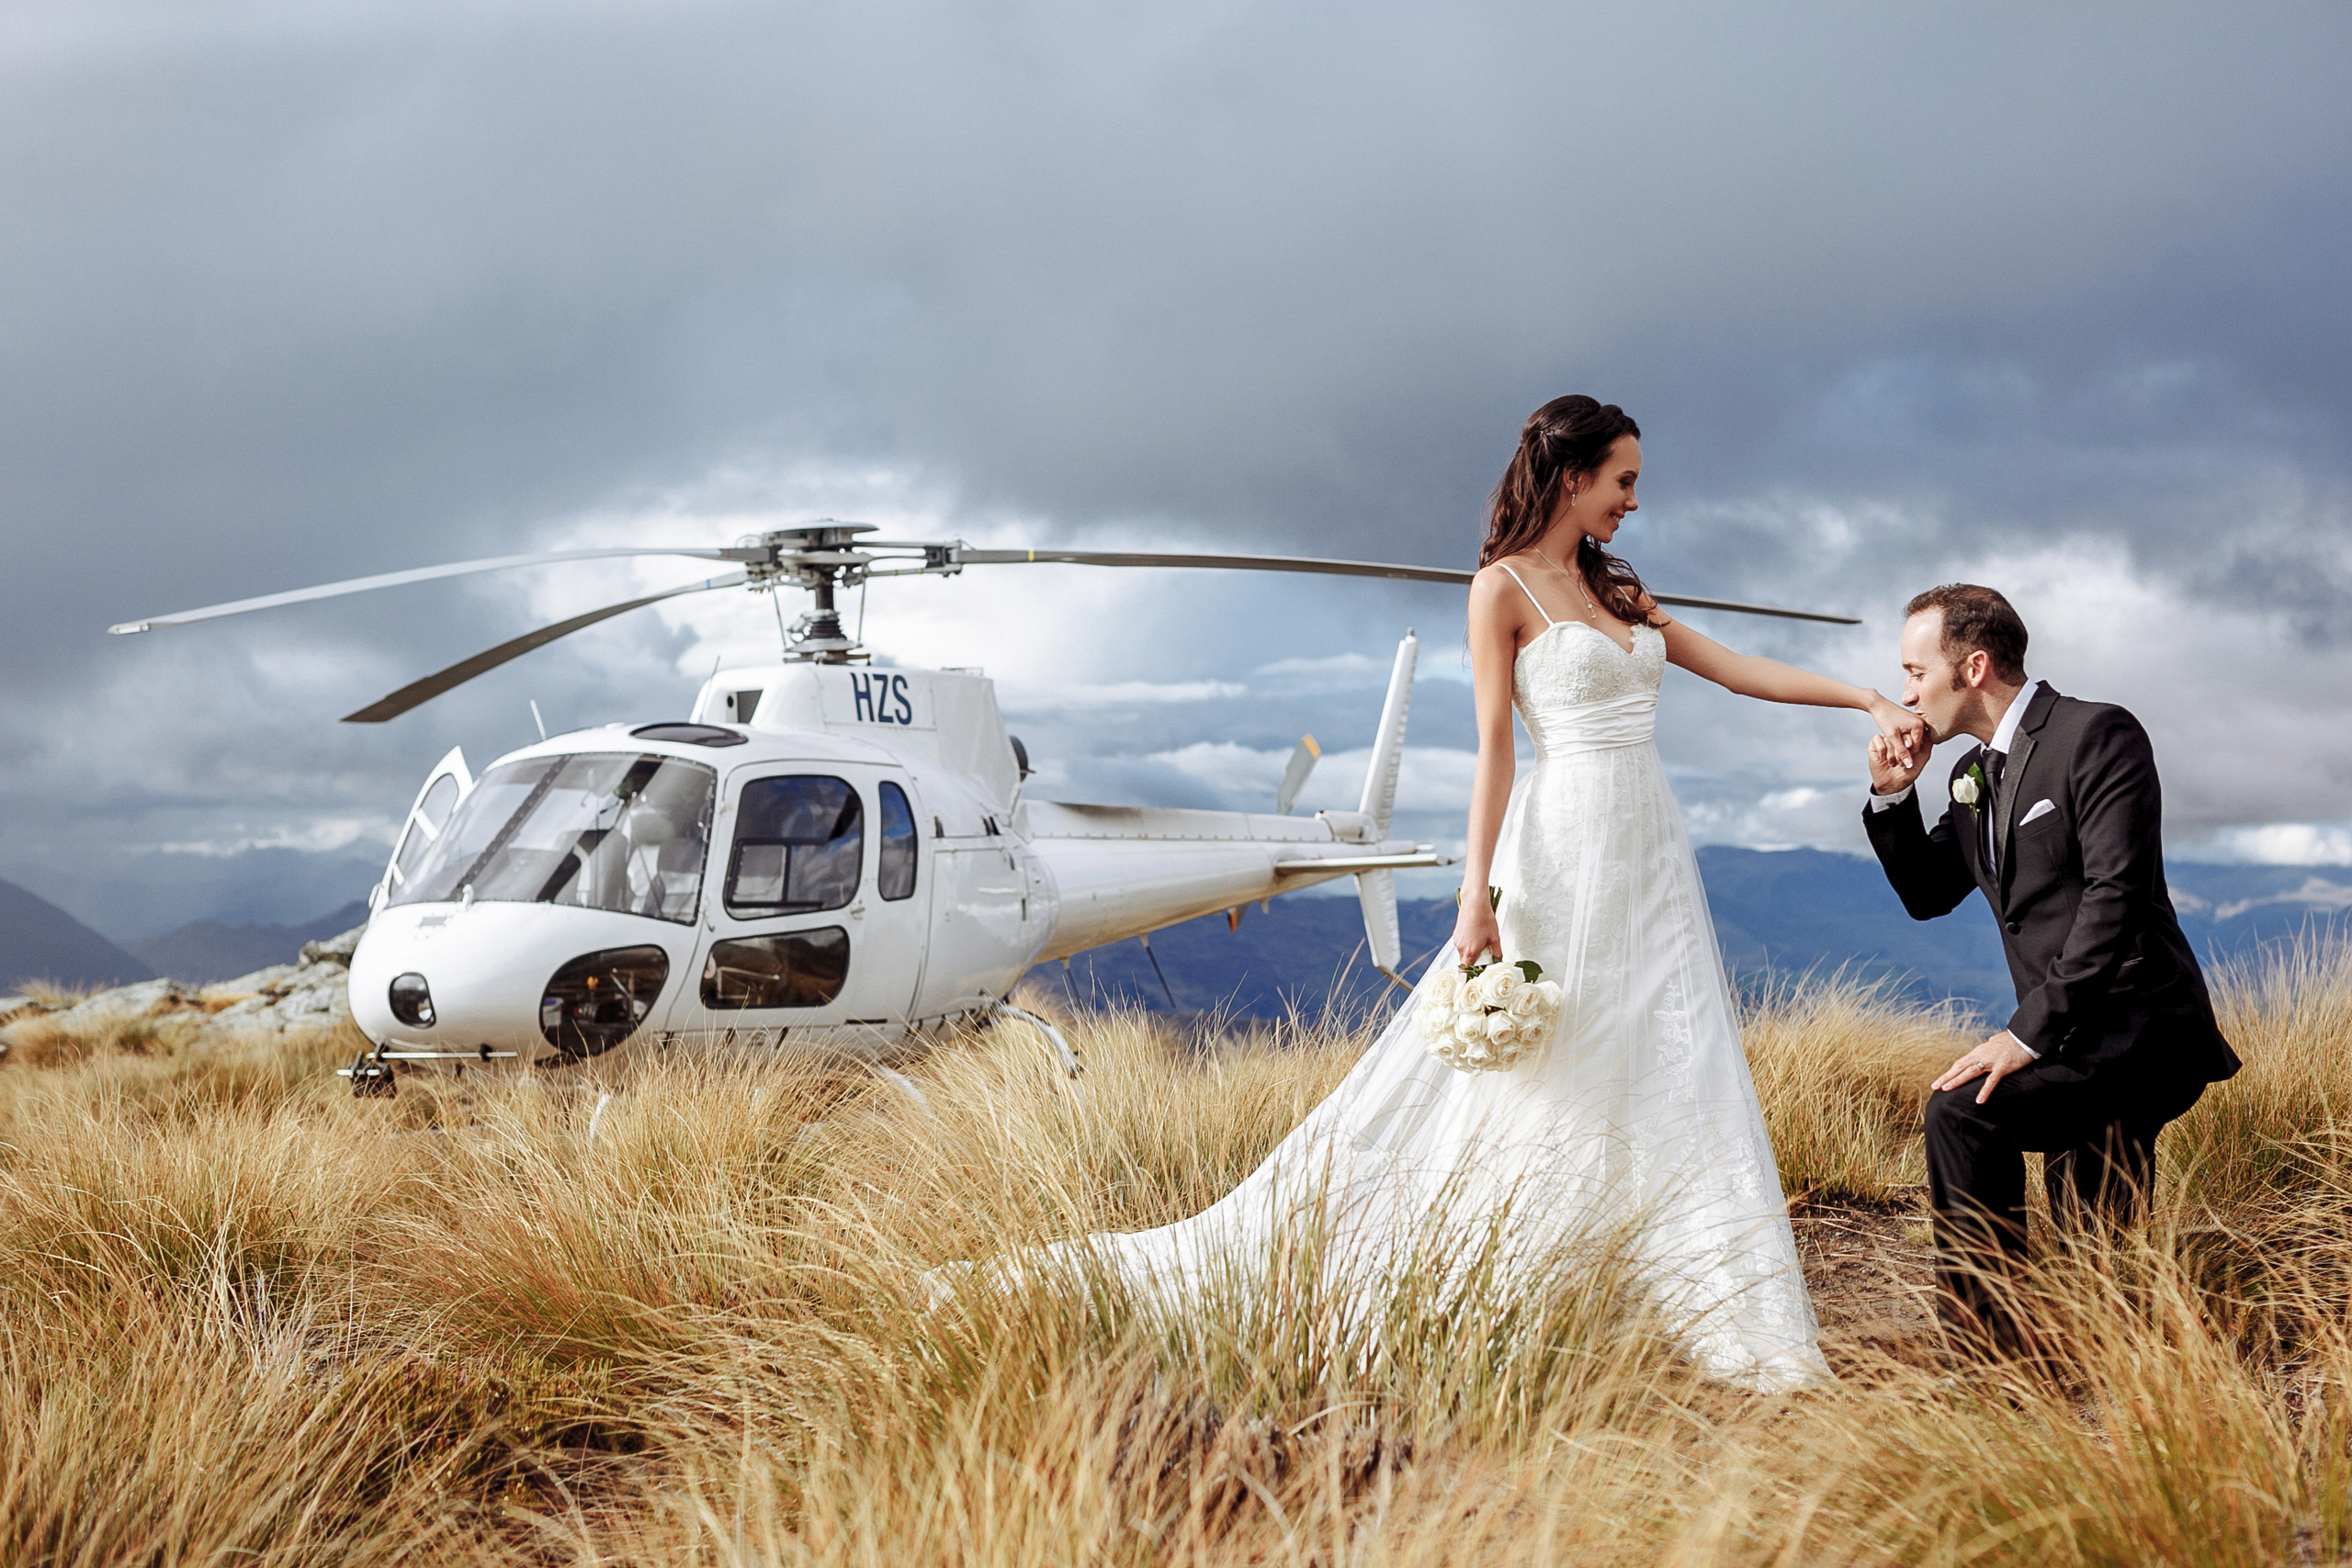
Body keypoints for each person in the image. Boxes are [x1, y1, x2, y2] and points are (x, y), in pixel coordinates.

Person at [945, 396, 1920, 1390]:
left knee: (1665, 1035)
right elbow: (1495, 752)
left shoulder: (1619, 587)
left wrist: (1868, 699)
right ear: (1572, 474)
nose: (1633, 501)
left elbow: (1735, 669)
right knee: (1556, 1056)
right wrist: (1475, 894)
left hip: (1649, 845)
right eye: (1622, 480)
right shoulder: (1499, 590)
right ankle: (1533, 1268)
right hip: (1561, 840)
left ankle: (1677, 1273)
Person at [1861, 584, 2240, 1359]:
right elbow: (1930, 895)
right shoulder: (1972, 773)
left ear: (1972, 665)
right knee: (2094, 1251)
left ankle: (1988, 1354)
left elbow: (2117, 897)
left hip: (2140, 1028)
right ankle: (2096, 1332)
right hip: (2075, 1036)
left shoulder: (2096, 735)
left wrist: (2024, 1037)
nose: (1904, 692)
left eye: (1912, 669)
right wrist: (1893, 797)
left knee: (1964, 1110)